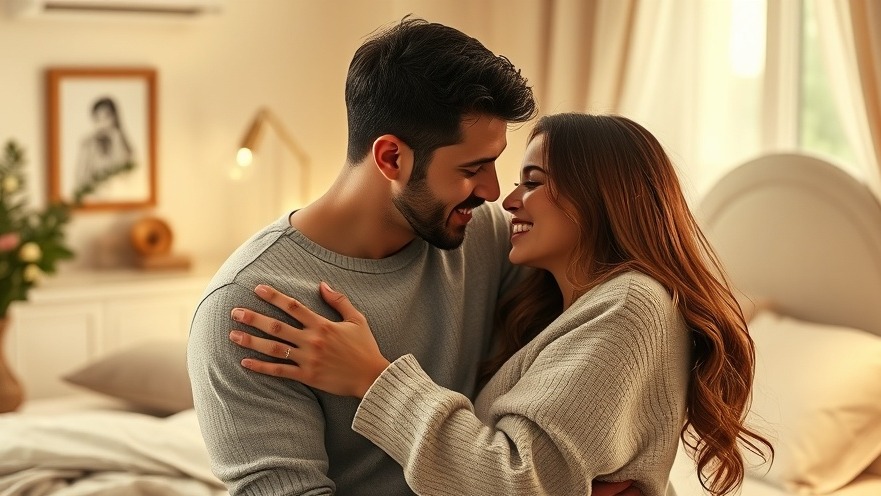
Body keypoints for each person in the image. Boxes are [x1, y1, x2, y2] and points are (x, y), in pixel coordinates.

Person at [187, 17, 638, 496]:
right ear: (390, 159)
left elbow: (612, 317)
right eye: (472, 169)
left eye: (494, 163)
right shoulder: (249, 310)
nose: (491, 191)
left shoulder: (483, 237)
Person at [226, 113, 775, 495]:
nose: (503, 198)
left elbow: (516, 482)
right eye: (480, 172)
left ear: (600, 196)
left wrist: (375, 380)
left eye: (531, 182)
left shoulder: (633, 304)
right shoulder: (552, 294)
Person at [75, 96, 133, 193]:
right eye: (98, 118)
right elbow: (80, 178)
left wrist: (116, 138)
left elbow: (123, 172)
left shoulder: (122, 142)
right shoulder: (88, 144)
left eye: (107, 117)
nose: (103, 122)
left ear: (115, 117)